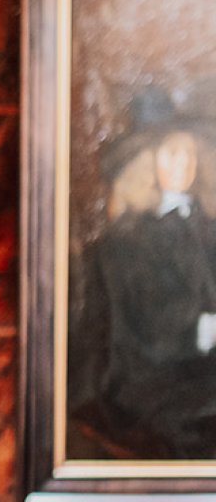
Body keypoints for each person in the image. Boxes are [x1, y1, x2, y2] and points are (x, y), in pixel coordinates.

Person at [70, 88, 216, 459]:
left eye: (189, 153)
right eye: (171, 153)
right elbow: (147, 328)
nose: (184, 163)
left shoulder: (206, 226)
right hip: (150, 377)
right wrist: (204, 329)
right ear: (146, 163)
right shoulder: (126, 243)